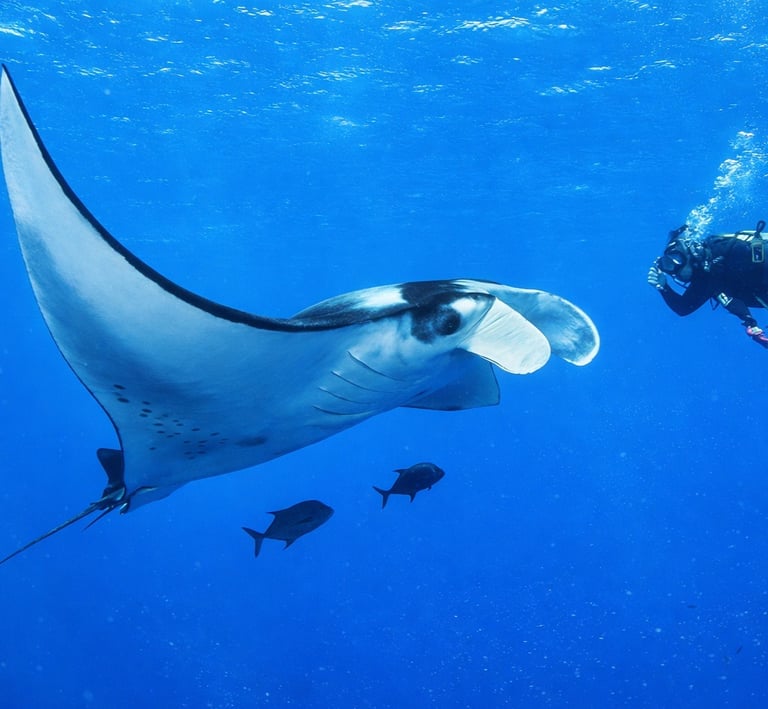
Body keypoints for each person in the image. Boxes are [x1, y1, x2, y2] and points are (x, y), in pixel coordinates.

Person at [648, 221, 768, 348]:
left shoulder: (723, 249)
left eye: (677, 259)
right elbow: (683, 307)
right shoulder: (704, 279)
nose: (675, 271)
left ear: (689, 254)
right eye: (668, 266)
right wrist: (663, 287)